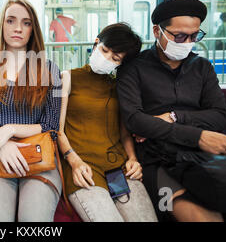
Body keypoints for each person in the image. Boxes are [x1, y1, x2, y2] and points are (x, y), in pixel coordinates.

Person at [117, 0, 226, 222]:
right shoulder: (133, 68)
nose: (187, 42)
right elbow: (135, 121)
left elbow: (220, 115)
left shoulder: (202, 67)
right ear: (157, 31)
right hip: (158, 159)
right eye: (180, 36)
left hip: (203, 156)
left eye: (194, 36)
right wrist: (198, 135)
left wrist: (173, 117)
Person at [0, 0, 62, 222]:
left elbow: (51, 125)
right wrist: (2, 146)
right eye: (11, 21)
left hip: (39, 156)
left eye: (26, 23)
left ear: (33, 30)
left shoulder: (49, 69)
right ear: (2, 26)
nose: (18, 28)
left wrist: (8, 130)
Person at [58, 23, 157, 222]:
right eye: (104, 50)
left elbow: (124, 133)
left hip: (118, 168)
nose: (106, 58)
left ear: (122, 64)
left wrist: (132, 159)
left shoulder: (120, 87)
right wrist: (74, 162)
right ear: (96, 43)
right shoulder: (67, 78)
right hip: (83, 167)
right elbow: (58, 131)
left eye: (115, 58)